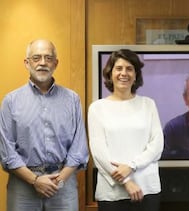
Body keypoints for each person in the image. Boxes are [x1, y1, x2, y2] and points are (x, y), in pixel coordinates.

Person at [0, 39, 89, 211]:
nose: (42, 63)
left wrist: (59, 180)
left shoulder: (72, 99)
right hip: (23, 186)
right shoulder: (11, 101)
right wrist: (35, 180)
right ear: (27, 63)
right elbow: (7, 152)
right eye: (36, 58)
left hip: (62, 183)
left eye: (48, 58)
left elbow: (79, 149)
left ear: (56, 63)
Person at [88, 49, 164, 211]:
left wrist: (131, 166)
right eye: (119, 68)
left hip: (147, 189)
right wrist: (126, 181)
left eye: (129, 69)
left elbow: (157, 146)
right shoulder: (97, 108)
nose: (124, 73)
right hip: (112, 192)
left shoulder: (148, 104)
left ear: (136, 75)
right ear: (110, 73)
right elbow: (99, 153)